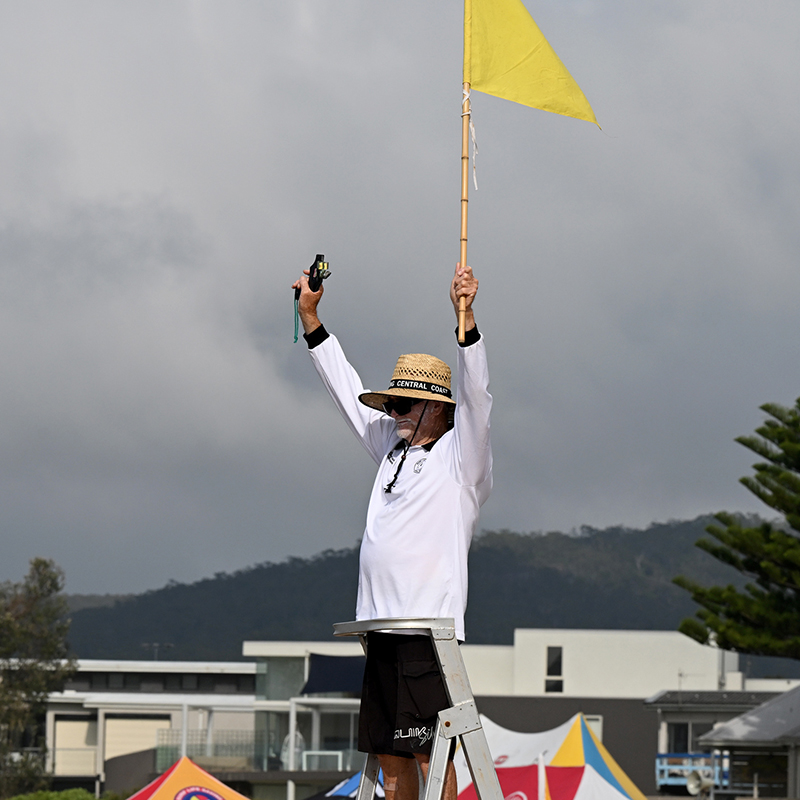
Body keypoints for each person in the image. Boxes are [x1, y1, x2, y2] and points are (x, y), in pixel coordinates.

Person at [292, 263, 492, 800]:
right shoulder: (390, 448)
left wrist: (466, 321)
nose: (393, 412)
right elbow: (344, 388)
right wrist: (311, 319)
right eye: (392, 404)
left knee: (433, 751)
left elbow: (478, 400)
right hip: (378, 628)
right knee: (390, 753)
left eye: (403, 404)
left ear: (435, 409)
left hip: (428, 633)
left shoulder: (461, 458)